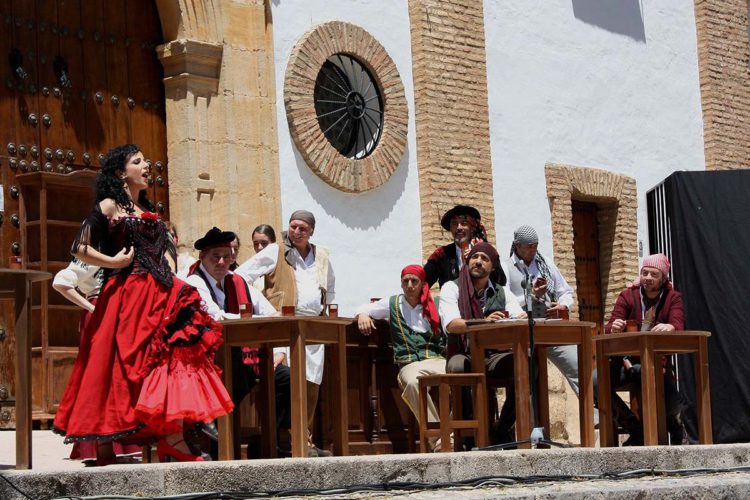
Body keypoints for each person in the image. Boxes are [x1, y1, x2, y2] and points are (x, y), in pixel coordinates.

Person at [52, 144, 233, 465]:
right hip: (124, 293)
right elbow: (79, 247)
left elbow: (166, 250)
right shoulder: (109, 206)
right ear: (122, 172)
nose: (147, 165)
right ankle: (108, 445)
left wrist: (170, 273)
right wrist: (113, 261)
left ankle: (173, 435)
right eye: (138, 162)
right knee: (114, 370)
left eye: (145, 161)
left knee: (170, 355)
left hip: (157, 291)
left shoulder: (150, 211)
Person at [236, 210, 335, 457]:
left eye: (303, 228)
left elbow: (330, 287)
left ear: (311, 230)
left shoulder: (320, 255)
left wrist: (328, 310)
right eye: (293, 227)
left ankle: (306, 441)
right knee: (293, 383)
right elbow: (241, 276)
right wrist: (265, 305)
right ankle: (293, 442)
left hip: (314, 325)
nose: (297, 231)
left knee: (311, 384)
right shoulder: (276, 250)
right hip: (286, 326)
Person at [184, 227, 290, 451]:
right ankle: (209, 421)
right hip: (203, 358)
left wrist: (279, 350)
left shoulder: (238, 281)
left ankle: (273, 442)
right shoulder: (195, 282)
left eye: (227, 256)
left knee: (285, 377)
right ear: (202, 257)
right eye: (215, 257)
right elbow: (215, 317)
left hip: (242, 354)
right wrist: (252, 319)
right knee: (236, 366)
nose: (222, 262)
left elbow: (270, 312)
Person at [52, 259, 141, 463]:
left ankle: (124, 442)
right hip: (100, 316)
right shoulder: (95, 254)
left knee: (120, 378)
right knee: (99, 379)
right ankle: (102, 444)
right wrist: (92, 308)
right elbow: (61, 282)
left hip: (122, 314)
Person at [439, 242, 526, 445]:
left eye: (484, 259)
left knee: (529, 364)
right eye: (474, 257)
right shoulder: (452, 288)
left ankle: (502, 427)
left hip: (495, 354)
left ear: (493, 267)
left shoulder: (502, 292)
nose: (478, 262)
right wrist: (484, 322)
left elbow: (517, 317)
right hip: (465, 351)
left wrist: (517, 317)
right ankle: (469, 432)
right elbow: (452, 324)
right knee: (457, 367)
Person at [355, 265, 446, 451]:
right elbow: (363, 307)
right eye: (406, 281)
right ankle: (438, 439)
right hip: (409, 362)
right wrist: (363, 315)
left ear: (422, 283)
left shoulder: (435, 304)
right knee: (413, 383)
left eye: (414, 281)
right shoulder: (393, 303)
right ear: (401, 283)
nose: (410, 285)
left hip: (436, 358)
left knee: (462, 380)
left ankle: (456, 434)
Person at [604, 253, 689, 445]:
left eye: (654, 274)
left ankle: (674, 424)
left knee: (668, 396)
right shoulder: (628, 295)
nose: (648, 278)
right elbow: (609, 326)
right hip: (626, 361)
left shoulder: (672, 297)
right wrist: (614, 327)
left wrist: (671, 327)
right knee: (595, 383)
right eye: (645, 273)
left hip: (656, 361)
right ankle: (634, 427)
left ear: (663, 278)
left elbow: (678, 323)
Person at [505, 225, 582, 397]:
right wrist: (530, 297)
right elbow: (506, 300)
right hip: (523, 332)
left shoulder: (545, 263)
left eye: (535, 245)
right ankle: (529, 423)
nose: (533, 250)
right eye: (529, 246)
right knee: (527, 380)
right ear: (517, 245)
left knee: (579, 367)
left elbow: (565, 291)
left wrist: (563, 305)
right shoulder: (505, 268)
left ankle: (596, 418)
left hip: (550, 327)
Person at [424, 205, 505, 288]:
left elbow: (501, 281)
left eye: (464, 223)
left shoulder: (487, 252)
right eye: (455, 224)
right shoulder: (442, 254)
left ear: (472, 228)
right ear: (450, 228)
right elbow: (423, 282)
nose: (459, 227)